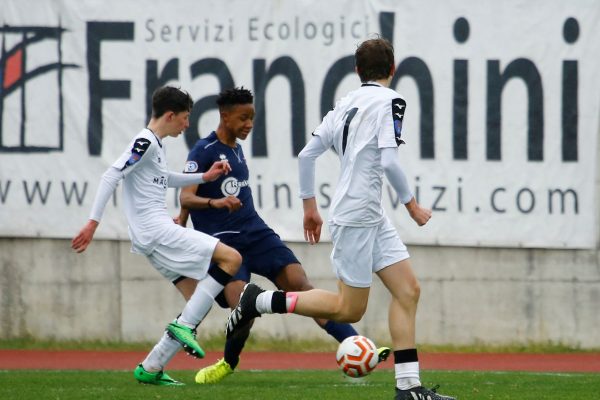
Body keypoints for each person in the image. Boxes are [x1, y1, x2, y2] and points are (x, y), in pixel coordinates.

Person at [225, 39, 455, 400]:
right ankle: (259, 301)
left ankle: (409, 388)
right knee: (349, 309)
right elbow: (391, 161)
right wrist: (411, 206)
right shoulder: (390, 100)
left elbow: (306, 155)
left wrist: (309, 207)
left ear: (356, 71)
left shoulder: (346, 103)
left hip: (366, 213)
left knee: (408, 290)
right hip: (358, 213)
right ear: (393, 69)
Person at [174, 86, 390, 384]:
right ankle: (228, 362)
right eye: (243, 118)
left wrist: (187, 216)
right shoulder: (203, 150)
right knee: (243, 309)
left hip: (256, 233)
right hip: (224, 244)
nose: (249, 124)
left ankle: (357, 345)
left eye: (252, 117)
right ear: (224, 116)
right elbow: (186, 196)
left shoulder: (235, 147)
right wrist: (206, 207)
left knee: (301, 284)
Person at [72, 86, 242, 386]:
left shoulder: (155, 145)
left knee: (195, 300)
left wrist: (204, 177)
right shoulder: (144, 141)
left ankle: (151, 367)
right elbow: (112, 174)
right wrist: (92, 223)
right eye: (186, 118)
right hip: (157, 231)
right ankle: (183, 328)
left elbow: (164, 179)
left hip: (152, 236)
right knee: (232, 258)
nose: (187, 125)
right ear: (170, 115)